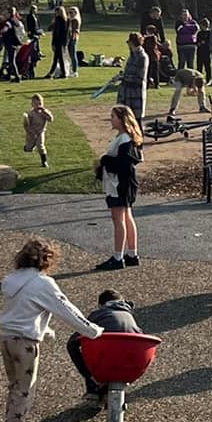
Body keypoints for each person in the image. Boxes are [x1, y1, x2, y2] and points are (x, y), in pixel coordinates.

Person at [0, 238, 107, 422]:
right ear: (46, 260)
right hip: (25, 342)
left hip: (7, 337)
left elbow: (22, 309)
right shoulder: (42, 283)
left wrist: (44, 329)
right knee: (25, 388)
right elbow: (67, 310)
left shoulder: (11, 280)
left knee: (15, 385)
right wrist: (93, 331)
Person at [66, 289, 144, 403]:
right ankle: (106, 390)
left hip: (104, 356)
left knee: (75, 346)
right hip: (129, 359)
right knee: (117, 351)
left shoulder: (100, 314)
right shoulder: (128, 315)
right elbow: (140, 334)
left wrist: (87, 373)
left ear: (100, 305)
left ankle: (92, 385)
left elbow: (76, 338)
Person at [95, 105, 143, 270]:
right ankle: (132, 254)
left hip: (120, 184)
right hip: (124, 183)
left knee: (119, 219)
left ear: (122, 120)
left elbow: (122, 165)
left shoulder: (124, 140)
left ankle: (118, 256)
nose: (111, 119)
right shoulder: (126, 138)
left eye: (113, 116)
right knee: (127, 217)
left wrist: (105, 160)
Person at [117, 32, 149, 125]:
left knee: (136, 120)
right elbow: (129, 71)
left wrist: (123, 78)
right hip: (126, 91)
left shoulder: (142, 57)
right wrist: (121, 76)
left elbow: (139, 77)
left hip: (135, 92)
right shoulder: (132, 55)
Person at [23, 94, 53, 169]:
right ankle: (28, 147)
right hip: (32, 133)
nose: (38, 105)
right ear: (32, 104)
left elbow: (51, 119)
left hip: (40, 132)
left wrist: (45, 112)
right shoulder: (30, 113)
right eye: (36, 104)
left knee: (40, 146)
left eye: (40, 103)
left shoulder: (44, 112)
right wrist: (30, 132)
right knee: (28, 148)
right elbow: (26, 125)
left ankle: (44, 162)